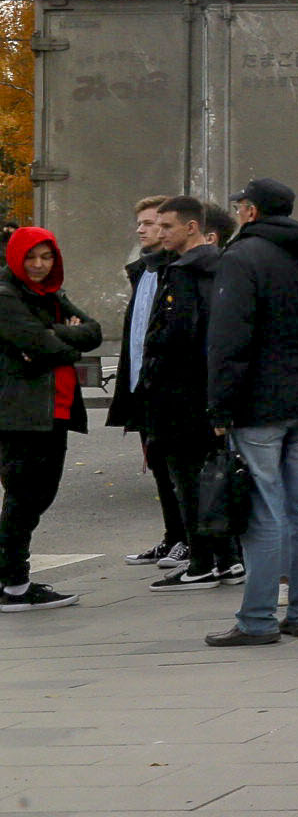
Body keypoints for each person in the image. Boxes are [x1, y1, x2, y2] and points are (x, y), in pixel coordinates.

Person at [202, 178, 298, 645]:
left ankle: (258, 619)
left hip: (258, 404)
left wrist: (220, 405)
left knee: (263, 513)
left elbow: (228, 337)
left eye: (241, 205)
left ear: (251, 211)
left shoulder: (241, 258)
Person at [140, 196, 237, 592]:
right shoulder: (223, 266)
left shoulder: (182, 272)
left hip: (180, 394)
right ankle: (228, 558)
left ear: (192, 227)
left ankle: (200, 562)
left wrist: (153, 360)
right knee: (214, 477)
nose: (159, 233)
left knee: (188, 479)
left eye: (167, 227)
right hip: (211, 389)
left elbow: (177, 334)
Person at [0, 229, 100, 611]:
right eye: (31, 257)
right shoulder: (6, 295)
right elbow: (38, 344)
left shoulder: (52, 294)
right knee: (24, 497)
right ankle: (13, 584)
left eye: (46, 257)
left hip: (55, 410)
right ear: (16, 257)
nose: (39, 265)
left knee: (39, 495)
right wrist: (63, 342)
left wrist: (53, 337)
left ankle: (13, 580)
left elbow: (93, 332)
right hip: (23, 413)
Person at [109, 196, 187, 571]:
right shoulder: (142, 271)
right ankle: (172, 537)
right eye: (139, 222)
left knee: (178, 469)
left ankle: (189, 540)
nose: (141, 229)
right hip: (142, 387)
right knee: (157, 465)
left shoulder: (179, 272)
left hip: (169, 389)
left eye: (151, 223)